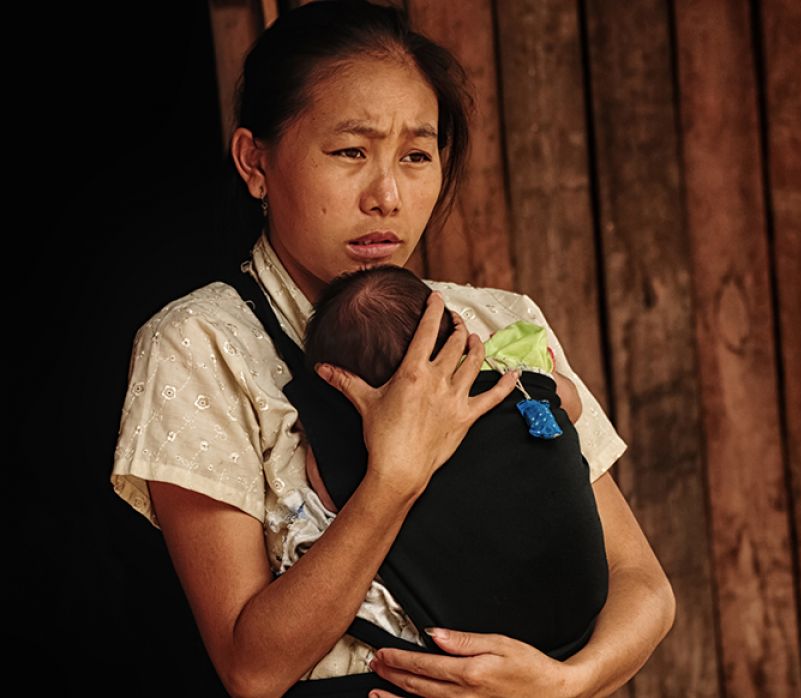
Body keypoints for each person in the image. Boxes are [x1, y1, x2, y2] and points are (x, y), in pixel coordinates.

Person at [110, 2, 676, 696]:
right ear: (255, 162)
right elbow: (253, 670)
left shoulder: (498, 321)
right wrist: (394, 476)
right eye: (351, 152)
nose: (387, 196)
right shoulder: (202, 345)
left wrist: (562, 684)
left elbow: (643, 583)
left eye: (416, 156)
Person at [290, 263, 606, 664]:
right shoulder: (516, 376)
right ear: (452, 336)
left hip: (478, 634)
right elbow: (570, 405)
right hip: (587, 598)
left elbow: (326, 493)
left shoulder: (357, 456)